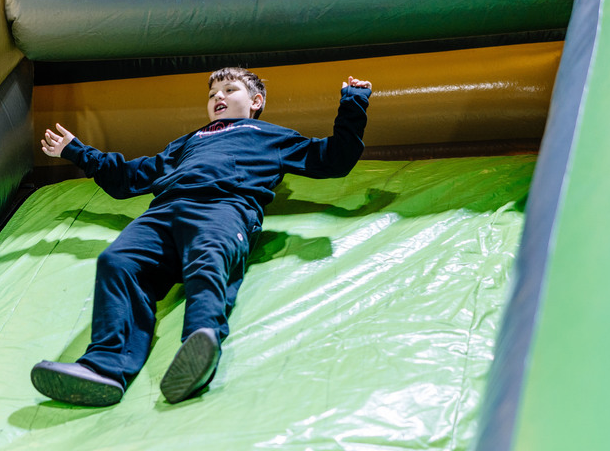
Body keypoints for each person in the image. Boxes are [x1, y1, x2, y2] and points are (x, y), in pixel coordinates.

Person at [31, 67, 372, 406]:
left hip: (223, 208)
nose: (218, 97)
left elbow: (333, 159)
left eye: (229, 90)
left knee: (208, 256)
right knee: (117, 261)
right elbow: (130, 178)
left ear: (256, 101)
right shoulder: (189, 142)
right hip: (164, 212)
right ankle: (104, 369)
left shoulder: (270, 136)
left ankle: (199, 344)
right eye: (212, 95)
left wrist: (353, 102)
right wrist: (77, 152)